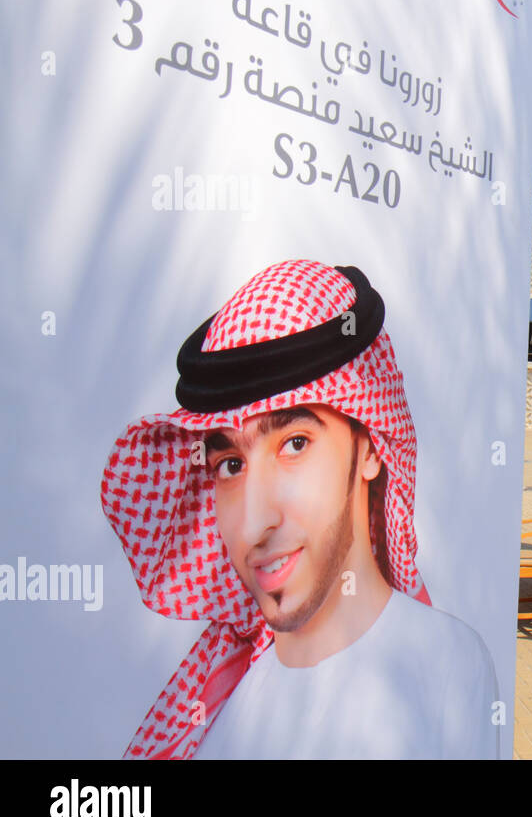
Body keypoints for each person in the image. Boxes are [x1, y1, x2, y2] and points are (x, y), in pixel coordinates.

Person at [101, 260, 498, 758]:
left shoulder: (447, 668)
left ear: (369, 447)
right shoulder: (216, 701)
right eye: (230, 465)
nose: (255, 522)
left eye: (294, 444)